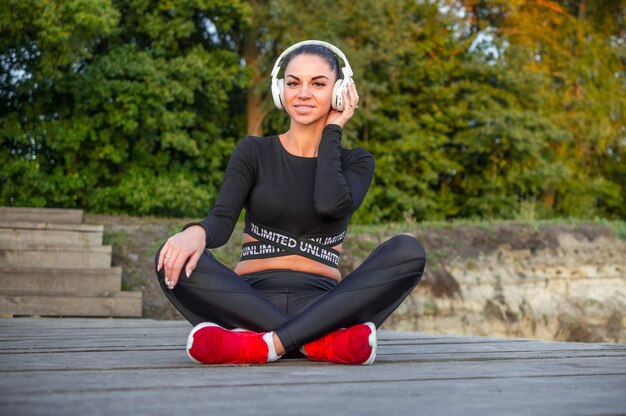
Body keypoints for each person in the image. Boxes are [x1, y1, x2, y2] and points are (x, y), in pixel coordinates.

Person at [155, 40, 426, 365]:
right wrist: (195, 232)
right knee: (170, 255)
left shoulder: (357, 161)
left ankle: (259, 345)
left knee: (408, 252)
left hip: (325, 304)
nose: (303, 93)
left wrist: (333, 131)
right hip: (248, 299)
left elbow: (329, 204)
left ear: (341, 92)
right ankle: (318, 344)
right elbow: (221, 221)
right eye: (294, 82)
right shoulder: (253, 151)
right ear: (279, 89)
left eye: (319, 84)